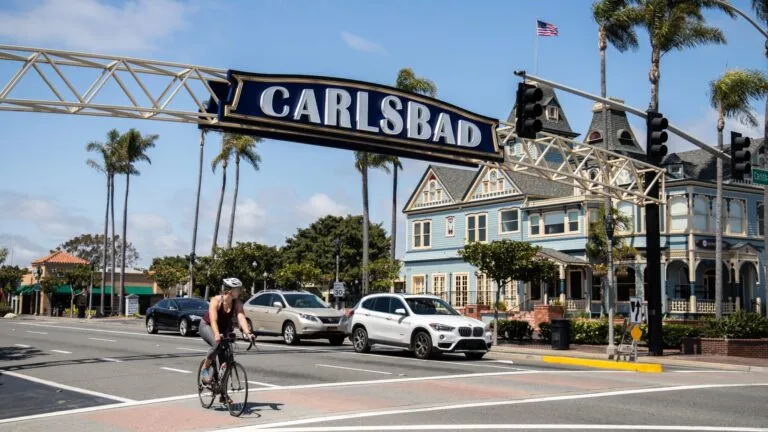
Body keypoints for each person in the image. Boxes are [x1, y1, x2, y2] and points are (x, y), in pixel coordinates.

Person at [199, 277, 255, 385]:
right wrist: (216, 334)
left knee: (225, 360)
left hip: (223, 329)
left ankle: (223, 394)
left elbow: (241, 317)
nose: (240, 291)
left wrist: (248, 333)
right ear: (230, 290)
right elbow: (213, 320)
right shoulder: (216, 301)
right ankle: (205, 368)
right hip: (207, 325)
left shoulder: (237, 303)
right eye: (238, 289)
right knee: (216, 344)